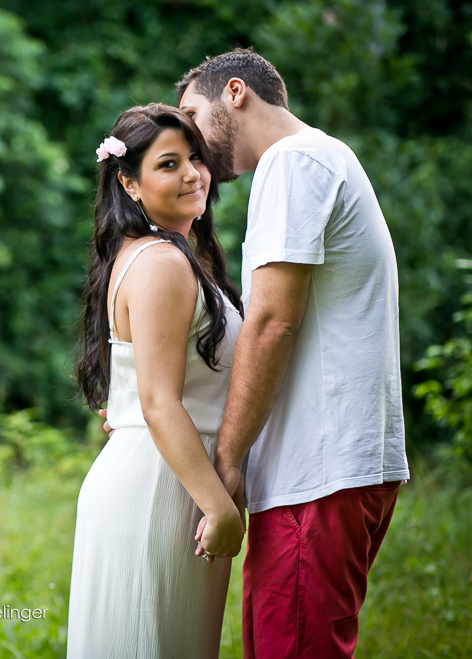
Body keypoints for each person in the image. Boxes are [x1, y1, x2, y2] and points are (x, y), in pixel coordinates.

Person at [105, 48, 410, 657]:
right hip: (329, 470)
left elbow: (272, 323)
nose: (189, 132)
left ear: (236, 93)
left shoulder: (293, 163)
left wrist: (229, 458)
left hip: (316, 471)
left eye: (193, 112)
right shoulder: (323, 158)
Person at [66, 103, 245, 658]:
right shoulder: (163, 264)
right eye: (168, 164)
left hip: (167, 479)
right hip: (162, 491)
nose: (192, 174)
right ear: (130, 182)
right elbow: (159, 403)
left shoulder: (149, 255)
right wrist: (219, 507)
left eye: (196, 158)